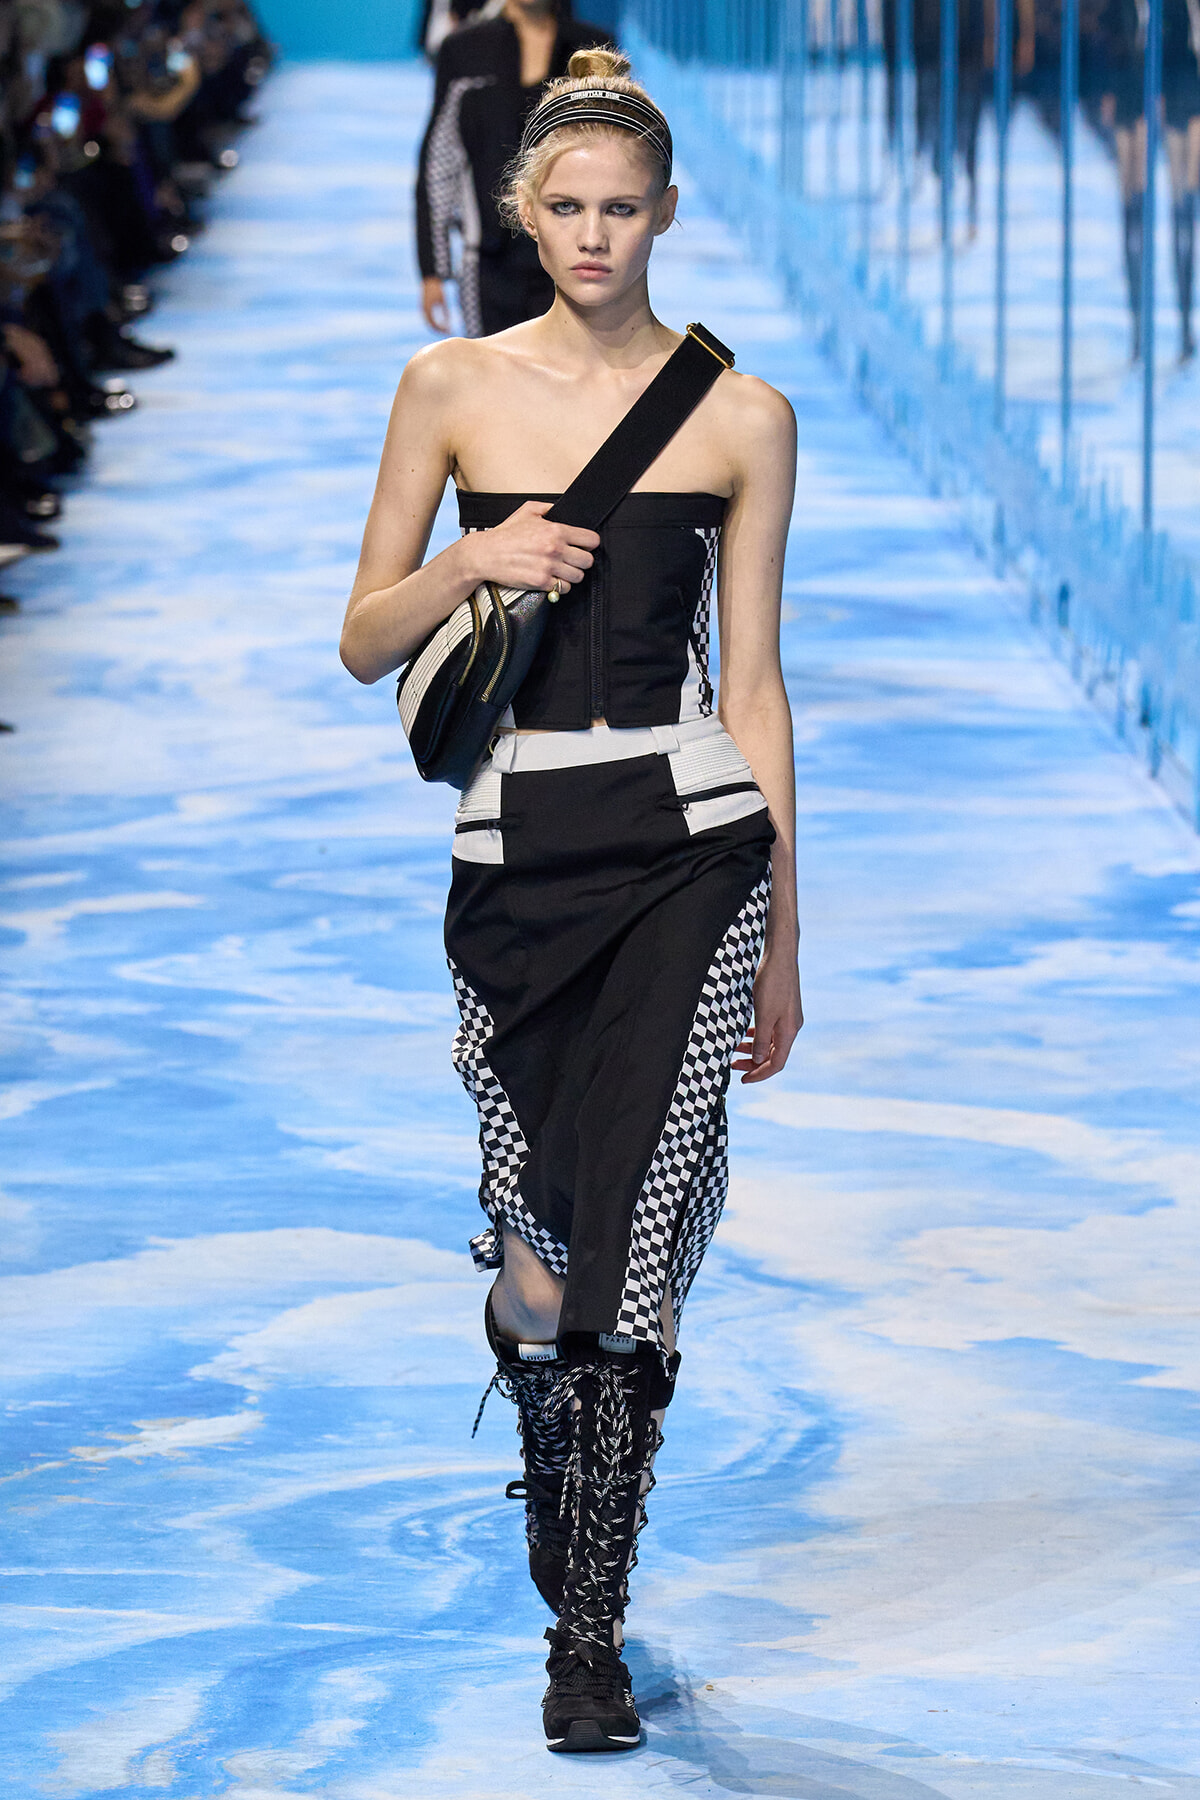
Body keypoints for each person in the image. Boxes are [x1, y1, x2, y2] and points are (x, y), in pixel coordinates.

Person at [343, 46, 802, 1753]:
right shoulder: (448, 387)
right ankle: (528, 1353)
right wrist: (477, 555)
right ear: (525, 214)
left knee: (642, 1241)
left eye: (626, 209)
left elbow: (754, 685)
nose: (595, 235)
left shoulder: (742, 415)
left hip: (695, 849)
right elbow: (361, 635)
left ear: (667, 214)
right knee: (545, 1263)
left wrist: (787, 933)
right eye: (569, 209)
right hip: (518, 854)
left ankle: (586, 1638)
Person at [415, 0, 611, 338]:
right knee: (493, 382)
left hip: (575, 257)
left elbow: (615, 161)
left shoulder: (592, 52)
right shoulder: (464, 49)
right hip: (489, 262)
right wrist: (433, 271)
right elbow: (439, 164)